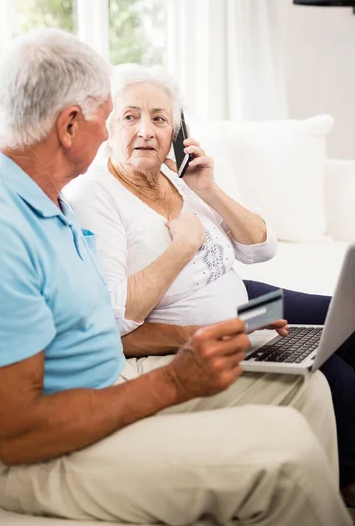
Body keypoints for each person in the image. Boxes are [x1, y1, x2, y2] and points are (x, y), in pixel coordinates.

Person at [0, 30, 351, 526]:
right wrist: (176, 377)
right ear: (70, 125)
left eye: (158, 118)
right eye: (113, 115)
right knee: (288, 454)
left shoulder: (50, 201)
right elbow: (16, 433)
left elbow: (100, 320)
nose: (117, 135)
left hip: (108, 384)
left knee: (309, 389)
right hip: (35, 450)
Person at [65, 63, 355, 495]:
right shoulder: (93, 195)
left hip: (247, 301)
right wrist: (181, 249)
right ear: (108, 125)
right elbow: (113, 318)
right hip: (201, 327)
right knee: (336, 373)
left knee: (345, 322)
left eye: (160, 118)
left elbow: (261, 248)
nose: (146, 130)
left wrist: (208, 189)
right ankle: (344, 486)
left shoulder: (174, 175)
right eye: (131, 116)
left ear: (176, 130)